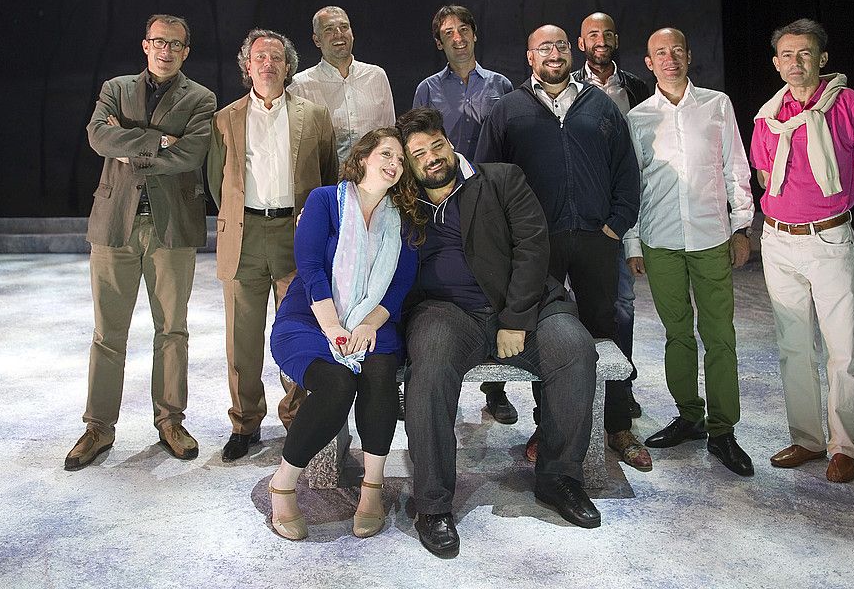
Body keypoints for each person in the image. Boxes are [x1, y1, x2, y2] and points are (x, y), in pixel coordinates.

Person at [399, 108, 602, 559]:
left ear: (449, 144)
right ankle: (432, 504)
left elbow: (533, 245)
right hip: (445, 312)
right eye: (419, 154)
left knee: (574, 350)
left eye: (436, 146)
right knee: (430, 365)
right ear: (409, 163)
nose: (431, 158)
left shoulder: (500, 179)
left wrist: (515, 319)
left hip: (523, 307)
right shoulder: (403, 201)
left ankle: (559, 478)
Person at [475, 25, 644, 471]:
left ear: (572, 53)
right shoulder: (508, 110)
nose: (554, 53)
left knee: (605, 331)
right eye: (543, 47)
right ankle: (549, 425)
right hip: (536, 246)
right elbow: (487, 180)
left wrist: (615, 225)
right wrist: (509, 239)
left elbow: (626, 169)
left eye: (560, 45)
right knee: (548, 337)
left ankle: (616, 425)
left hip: (595, 241)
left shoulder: (600, 105)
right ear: (529, 57)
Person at [65, 14, 217, 471]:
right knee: (107, 332)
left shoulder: (202, 98)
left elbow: (191, 153)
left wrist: (130, 145)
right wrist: (158, 141)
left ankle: (170, 420)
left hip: (172, 227)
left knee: (172, 329)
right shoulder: (115, 88)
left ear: (186, 51)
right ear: (145, 46)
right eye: (158, 42)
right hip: (116, 223)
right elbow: (97, 135)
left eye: (175, 44)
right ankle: (98, 427)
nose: (165, 51)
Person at [264, 128, 425, 540]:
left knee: (378, 375)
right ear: (364, 157)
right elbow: (311, 267)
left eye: (401, 159)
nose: (395, 164)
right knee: (336, 384)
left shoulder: (405, 217)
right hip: (310, 317)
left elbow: (400, 286)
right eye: (386, 154)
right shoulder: (324, 201)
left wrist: (368, 324)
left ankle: (372, 487)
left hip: (375, 321)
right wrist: (334, 327)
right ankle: (282, 484)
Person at [751, 18, 854, 483]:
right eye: (787, 55)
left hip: (829, 240)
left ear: (822, 59)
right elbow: (768, 180)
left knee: (842, 349)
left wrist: (839, 189)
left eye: (805, 54)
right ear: (776, 63)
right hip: (778, 240)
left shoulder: (848, 104)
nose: (795, 62)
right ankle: (807, 439)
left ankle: (844, 446)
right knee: (793, 347)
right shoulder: (769, 116)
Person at [624, 27, 756, 477]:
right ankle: (689, 416)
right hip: (661, 241)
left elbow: (736, 167)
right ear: (648, 62)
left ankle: (723, 430)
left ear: (688, 56)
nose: (669, 58)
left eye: (676, 50)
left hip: (711, 238)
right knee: (677, 334)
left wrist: (742, 227)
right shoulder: (639, 117)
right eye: (660, 52)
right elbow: (634, 184)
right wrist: (633, 241)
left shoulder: (716, 105)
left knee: (720, 336)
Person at [207, 29, 339, 462]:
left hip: (295, 233)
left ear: (288, 66)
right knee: (241, 340)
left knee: (299, 330)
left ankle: (300, 416)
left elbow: (328, 173)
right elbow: (215, 179)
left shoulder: (315, 115)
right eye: (259, 57)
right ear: (247, 66)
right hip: (244, 235)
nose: (268, 64)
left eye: (276, 58)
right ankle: (245, 424)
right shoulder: (225, 118)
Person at [412, 4, 516, 424]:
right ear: (439, 42)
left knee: (492, 281)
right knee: (443, 285)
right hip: (441, 199)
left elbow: (509, 140)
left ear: (474, 34)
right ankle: (433, 385)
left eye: (463, 29)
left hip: (487, 196)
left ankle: (496, 390)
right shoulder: (427, 89)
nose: (457, 37)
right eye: (448, 32)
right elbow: (417, 141)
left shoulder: (501, 84)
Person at [572, 11, 652, 419]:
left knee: (621, 305)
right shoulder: (567, 88)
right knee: (568, 307)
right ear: (580, 43)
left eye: (606, 33)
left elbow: (634, 161)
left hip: (617, 216)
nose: (600, 40)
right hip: (573, 219)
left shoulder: (638, 88)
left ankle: (620, 389)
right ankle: (573, 391)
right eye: (592, 35)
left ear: (616, 39)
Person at [291, 6, 396, 163]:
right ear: (317, 40)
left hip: (374, 180)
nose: (338, 34)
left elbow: (390, 135)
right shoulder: (300, 85)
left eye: (344, 27)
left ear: (352, 34)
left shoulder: (376, 76)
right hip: (326, 182)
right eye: (329, 29)